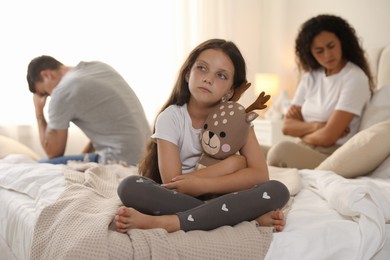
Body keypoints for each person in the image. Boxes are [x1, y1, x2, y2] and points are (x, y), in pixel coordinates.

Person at [114, 39, 290, 233]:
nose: (208, 78)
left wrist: (203, 184)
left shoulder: (239, 121)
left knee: (278, 190)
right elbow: (174, 182)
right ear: (188, 73)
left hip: (224, 194)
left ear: (230, 90)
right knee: (129, 187)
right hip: (178, 198)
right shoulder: (171, 118)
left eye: (221, 75)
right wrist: (231, 165)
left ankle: (169, 222)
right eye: (202, 68)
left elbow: (260, 174)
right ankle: (244, 216)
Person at [267, 14, 373, 169]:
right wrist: (318, 126)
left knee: (279, 151)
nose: (327, 55)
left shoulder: (354, 78)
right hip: (304, 147)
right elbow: (287, 127)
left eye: (331, 46)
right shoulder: (310, 77)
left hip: (333, 155)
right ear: (310, 53)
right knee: (245, 154)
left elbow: (328, 137)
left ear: (342, 42)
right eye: (319, 50)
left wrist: (302, 131)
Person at [26, 56, 151, 166]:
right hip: (148, 155)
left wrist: (38, 112)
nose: (49, 97)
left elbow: (53, 152)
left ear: (46, 75)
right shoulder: (99, 67)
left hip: (122, 160)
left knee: (38, 166)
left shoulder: (62, 91)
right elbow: (108, 127)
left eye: (44, 93)